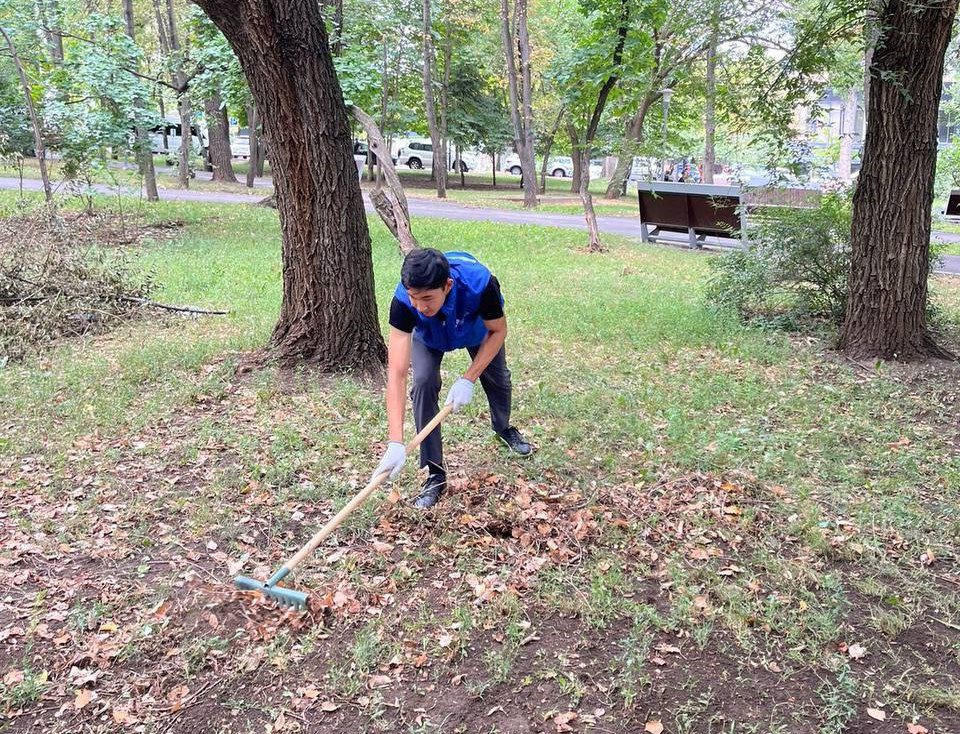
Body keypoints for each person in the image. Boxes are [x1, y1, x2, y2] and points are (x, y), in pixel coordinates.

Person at [371, 248, 532, 508]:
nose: (420, 306)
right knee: (422, 383)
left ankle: (503, 428)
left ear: (447, 285)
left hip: (478, 332)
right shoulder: (403, 302)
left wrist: (468, 378)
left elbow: (499, 330)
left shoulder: (480, 283)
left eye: (427, 298)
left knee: (498, 378)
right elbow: (397, 373)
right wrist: (395, 441)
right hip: (431, 336)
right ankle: (435, 472)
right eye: (414, 297)